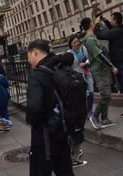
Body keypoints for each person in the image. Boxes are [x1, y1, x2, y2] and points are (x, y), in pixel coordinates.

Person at [25, 39, 75, 176]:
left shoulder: (36, 76)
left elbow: (34, 108)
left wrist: (31, 120)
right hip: (63, 130)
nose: (28, 60)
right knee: (65, 171)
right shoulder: (59, 67)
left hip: (45, 137)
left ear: (35, 52)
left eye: (28, 55)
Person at [95, 12, 123, 118]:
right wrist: (105, 20)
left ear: (115, 21)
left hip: (118, 60)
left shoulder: (116, 31)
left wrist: (96, 25)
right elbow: (112, 29)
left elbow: (100, 35)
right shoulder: (121, 29)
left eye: (111, 19)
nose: (110, 21)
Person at [81, 16, 118, 130]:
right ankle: (95, 116)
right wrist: (112, 66)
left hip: (100, 69)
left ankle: (105, 119)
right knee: (106, 95)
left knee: (107, 95)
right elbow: (99, 55)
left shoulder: (90, 38)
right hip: (99, 70)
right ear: (90, 24)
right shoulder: (90, 40)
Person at [67, 34, 91, 168]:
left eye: (78, 41)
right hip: (78, 80)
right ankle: (73, 157)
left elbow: (88, 58)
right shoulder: (69, 54)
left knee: (88, 94)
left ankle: (74, 153)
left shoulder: (83, 49)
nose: (76, 43)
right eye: (74, 42)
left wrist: (86, 64)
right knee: (76, 132)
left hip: (85, 75)